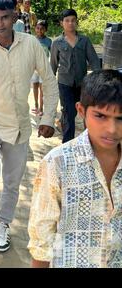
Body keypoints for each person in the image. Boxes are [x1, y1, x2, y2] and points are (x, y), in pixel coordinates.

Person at [0, 0, 59, 267]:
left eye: (5, 18)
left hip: (19, 129)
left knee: (13, 184)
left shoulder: (30, 45)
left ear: (14, 17)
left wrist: (48, 117)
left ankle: (3, 223)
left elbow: (49, 82)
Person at [28, 69, 122, 268]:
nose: (112, 129)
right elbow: (42, 239)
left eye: (120, 119)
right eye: (100, 116)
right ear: (81, 111)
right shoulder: (57, 164)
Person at [50, 9, 100, 143]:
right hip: (65, 83)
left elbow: (94, 61)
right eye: (67, 21)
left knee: (86, 112)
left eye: (73, 20)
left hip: (82, 83)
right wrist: (49, 85)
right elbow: (53, 65)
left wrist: (97, 80)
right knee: (69, 113)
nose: (70, 23)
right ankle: (67, 144)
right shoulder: (57, 43)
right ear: (62, 23)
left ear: (76, 22)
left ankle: (89, 142)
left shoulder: (84, 41)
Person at [31, 20, 52, 116]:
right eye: (38, 28)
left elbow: (52, 54)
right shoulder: (32, 40)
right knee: (35, 86)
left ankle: (41, 107)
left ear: (46, 30)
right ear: (35, 29)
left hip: (43, 68)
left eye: (42, 29)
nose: (39, 30)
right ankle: (35, 104)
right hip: (34, 68)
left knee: (42, 89)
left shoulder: (48, 41)